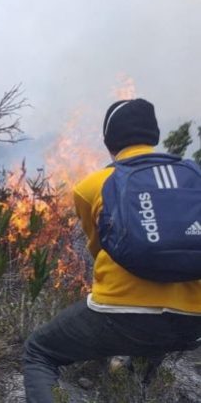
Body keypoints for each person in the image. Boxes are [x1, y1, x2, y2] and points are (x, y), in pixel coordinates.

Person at [23, 98, 201, 402]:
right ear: (154, 135)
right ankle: (133, 380)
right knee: (156, 334)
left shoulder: (92, 185)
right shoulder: (194, 174)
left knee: (39, 351)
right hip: (193, 321)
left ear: (109, 142)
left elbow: (100, 249)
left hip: (121, 314)